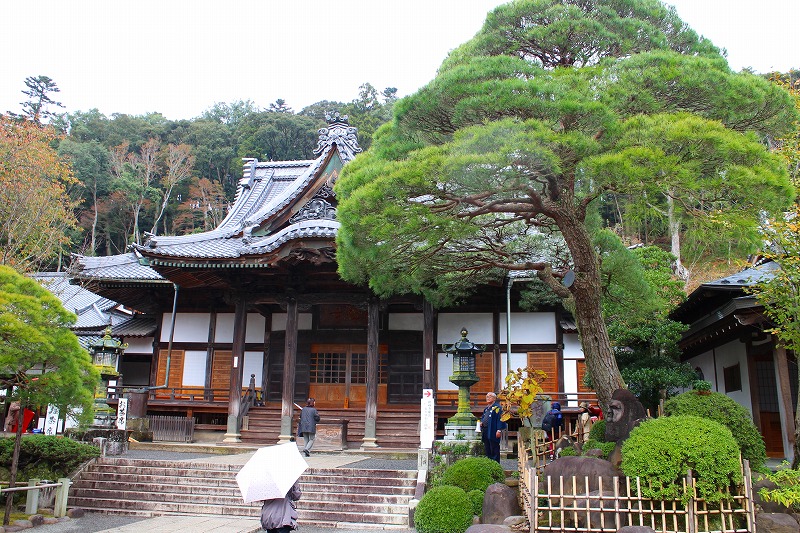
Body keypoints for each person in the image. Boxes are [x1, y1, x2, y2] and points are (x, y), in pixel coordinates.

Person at [480, 392, 506, 463]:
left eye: (490, 396)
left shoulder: (498, 408)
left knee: (494, 447)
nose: (488, 398)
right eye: (487, 396)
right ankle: (489, 463)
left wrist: (499, 430)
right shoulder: (486, 409)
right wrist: (482, 422)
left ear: (494, 398)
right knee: (487, 446)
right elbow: (483, 418)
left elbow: (501, 419)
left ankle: (495, 463)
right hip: (486, 429)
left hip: (493, 429)